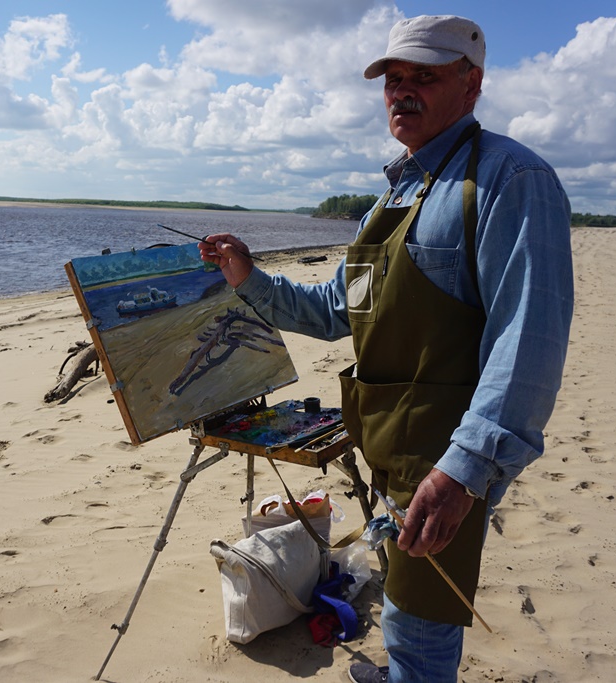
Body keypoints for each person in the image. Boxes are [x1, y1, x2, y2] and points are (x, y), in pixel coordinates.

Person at [198, 15, 573, 683]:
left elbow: (527, 342)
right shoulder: (393, 196)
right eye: (393, 79)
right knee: (404, 595)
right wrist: (247, 277)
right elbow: (331, 310)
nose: (402, 91)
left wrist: (463, 472)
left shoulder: (510, 179)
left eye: (424, 76)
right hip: (392, 446)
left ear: (471, 84)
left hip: (444, 454)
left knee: (420, 619)